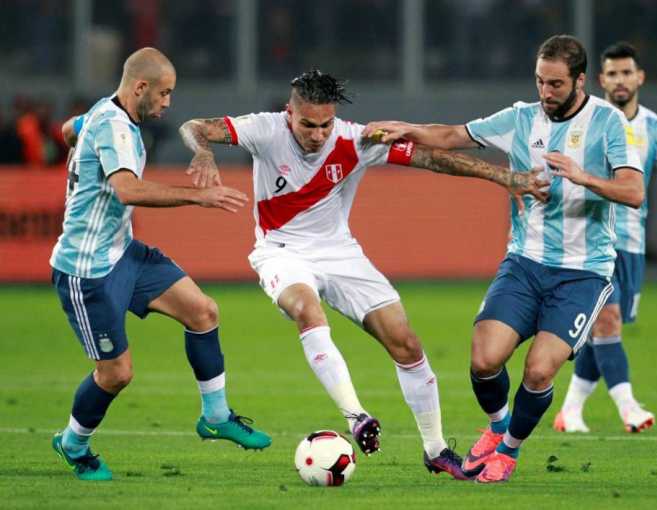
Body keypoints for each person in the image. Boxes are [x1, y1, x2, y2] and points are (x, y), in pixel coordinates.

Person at [179, 69, 547, 481]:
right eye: (307, 124)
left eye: (325, 124)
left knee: (406, 344)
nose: (318, 135)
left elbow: (433, 159)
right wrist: (204, 152)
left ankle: (436, 448)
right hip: (281, 251)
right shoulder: (264, 130)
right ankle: (356, 416)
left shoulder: (354, 140)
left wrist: (504, 176)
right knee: (307, 309)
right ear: (289, 113)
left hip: (340, 253)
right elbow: (193, 127)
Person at [363, 35, 645, 483]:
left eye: (555, 84)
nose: (545, 92)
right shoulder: (520, 118)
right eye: (539, 81)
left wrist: (582, 177)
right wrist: (407, 128)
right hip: (525, 263)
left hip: (583, 273)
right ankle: (497, 429)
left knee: (537, 370)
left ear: (579, 80)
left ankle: (509, 451)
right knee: (484, 360)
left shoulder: (608, 123)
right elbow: (455, 135)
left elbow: (633, 191)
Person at [50, 47, 271, 482]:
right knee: (116, 374)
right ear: (140, 88)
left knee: (203, 311)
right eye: (165, 93)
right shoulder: (112, 125)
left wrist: (80, 144)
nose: (169, 102)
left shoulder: (102, 112)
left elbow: (66, 129)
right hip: (87, 270)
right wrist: (199, 196)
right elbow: (128, 191)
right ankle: (73, 444)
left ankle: (216, 416)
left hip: (124, 252)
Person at [553, 42, 657, 434]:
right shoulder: (588, 119)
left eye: (626, 72)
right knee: (607, 320)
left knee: (606, 328)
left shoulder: (656, 127)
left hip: (631, 244)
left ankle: (570, 411)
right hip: (593, 238)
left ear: (639, 77)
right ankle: (627, 406)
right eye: (611, 74)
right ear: (601, 80)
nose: (619, 80)